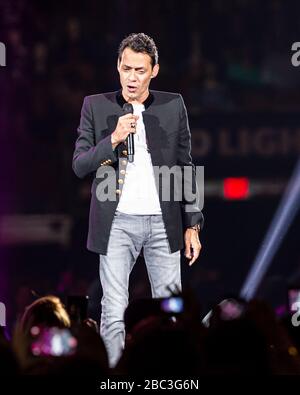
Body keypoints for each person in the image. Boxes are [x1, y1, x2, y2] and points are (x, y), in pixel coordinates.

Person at [72, 33, 204, 367]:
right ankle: (116, 377)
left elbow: (186, 166)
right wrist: (113, 139)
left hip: (164, 223)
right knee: (113, 310)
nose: (132, 77)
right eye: (126, 68)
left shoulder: (173, 105)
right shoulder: (95, 105)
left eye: (140, 70)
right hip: (116, 224)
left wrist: (193, 223)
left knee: (171, 310)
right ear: (118, 66)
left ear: (154, 70)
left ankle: (173, 375)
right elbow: (79, 165)